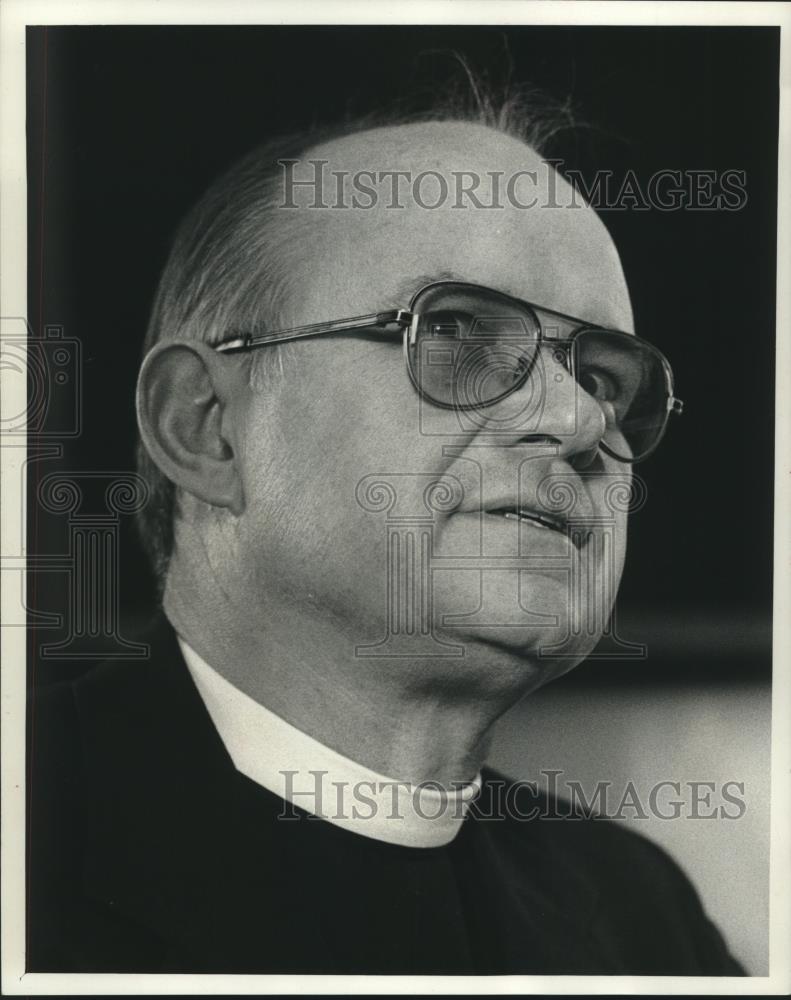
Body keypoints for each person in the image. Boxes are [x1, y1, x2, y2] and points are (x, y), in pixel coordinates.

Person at [27, 103, 744, 974]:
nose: (578, 418)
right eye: (457, 336)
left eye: (600, 377)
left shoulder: (642, 920)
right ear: (205, 428)